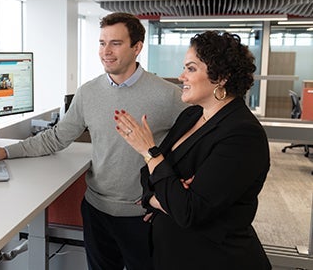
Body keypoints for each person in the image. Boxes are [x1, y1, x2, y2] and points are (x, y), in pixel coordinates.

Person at [0, 12, 187, 270]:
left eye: (115, 43)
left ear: (137, 47)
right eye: (102, 43)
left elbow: (196, 143)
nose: (106, 51)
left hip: (143, 215)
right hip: (96, 210)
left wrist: (174, 193)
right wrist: (6, 152)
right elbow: (57, 137)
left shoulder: (169, 95)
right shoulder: (88, 92)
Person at [113, 31, 272, 269]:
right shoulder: (191, 115)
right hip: (173, 253)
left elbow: (188, 212)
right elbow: (149, 177)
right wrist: (162, 195)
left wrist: (150, 152)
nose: (181, 77)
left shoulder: (242, 134)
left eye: (191, 68)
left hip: (215, 259)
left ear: (222, 77)